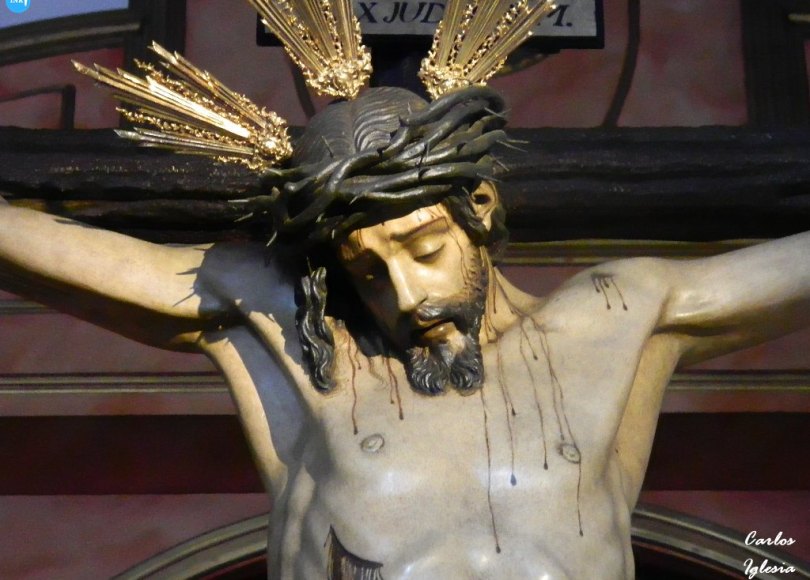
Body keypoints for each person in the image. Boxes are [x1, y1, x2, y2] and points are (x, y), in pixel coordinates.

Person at [1, 85, 809, 579]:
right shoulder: (297, 335)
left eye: (425, 250)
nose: (407, 296)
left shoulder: (615, 317)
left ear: (479, 208)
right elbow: (85, 262)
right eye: (368, 272)